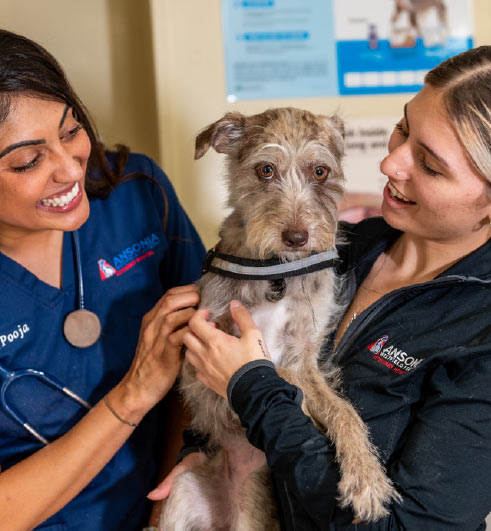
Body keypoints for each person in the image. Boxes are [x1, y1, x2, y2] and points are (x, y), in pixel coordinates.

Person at [158, 46, 491, 530]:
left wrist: (252, 386)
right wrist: (201, 450)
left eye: (431, 165)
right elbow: (222, 368)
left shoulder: (480, 329)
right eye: (402, 130)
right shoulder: (346, 249)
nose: (389, 165)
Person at [0, 24, 205, 530]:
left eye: (70, 131)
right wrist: (132, 395)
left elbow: (198, 363)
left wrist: (167, 509)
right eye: (29, 160)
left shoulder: (137, 194)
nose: (70, 170)